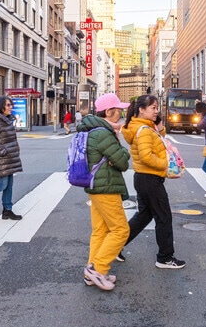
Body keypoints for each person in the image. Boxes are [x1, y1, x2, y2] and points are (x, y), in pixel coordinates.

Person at [121, 95, 186, 269]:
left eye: (157, 107)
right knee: (164, 217)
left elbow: (155, 141)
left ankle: (114, 246)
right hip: (149, 179)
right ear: (141, 109)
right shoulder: (143, 129)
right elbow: (146, 156)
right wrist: (167, 165)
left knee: (143, 216)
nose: (156, 110)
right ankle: (165, 257)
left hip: (144, 179)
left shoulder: (144, 127)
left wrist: (159, 126)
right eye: (153, 107)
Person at [81, 93, 131, 291]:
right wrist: (121, 150)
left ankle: (91, 271)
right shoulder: (103, 133)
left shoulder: (95, 129)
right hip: (105, 187)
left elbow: (115, 158)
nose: (121, 112)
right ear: (109, 111)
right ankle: (98, 268)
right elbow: (122, 162)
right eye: (118, 109)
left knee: (100, 230)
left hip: (97, 186)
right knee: (120, 230)